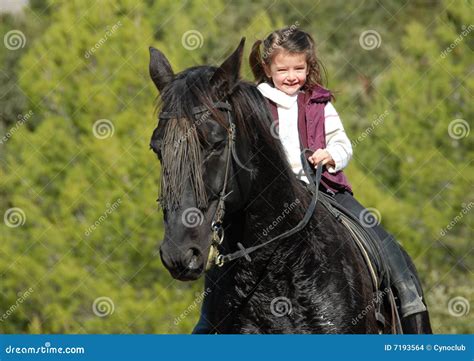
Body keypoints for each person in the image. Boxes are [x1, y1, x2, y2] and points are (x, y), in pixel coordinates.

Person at [192, 28, 426, 333]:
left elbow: (342, 144)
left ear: (309, 65)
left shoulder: (319, 103)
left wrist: (330, 156)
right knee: (224, 261)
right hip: (266, 201)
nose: (292, 76)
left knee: (384, 242)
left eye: (299, 68)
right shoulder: (254, 104)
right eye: (283, 69)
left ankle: (411, 306)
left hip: (324, 190)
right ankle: (206, 327)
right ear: (267, 69)